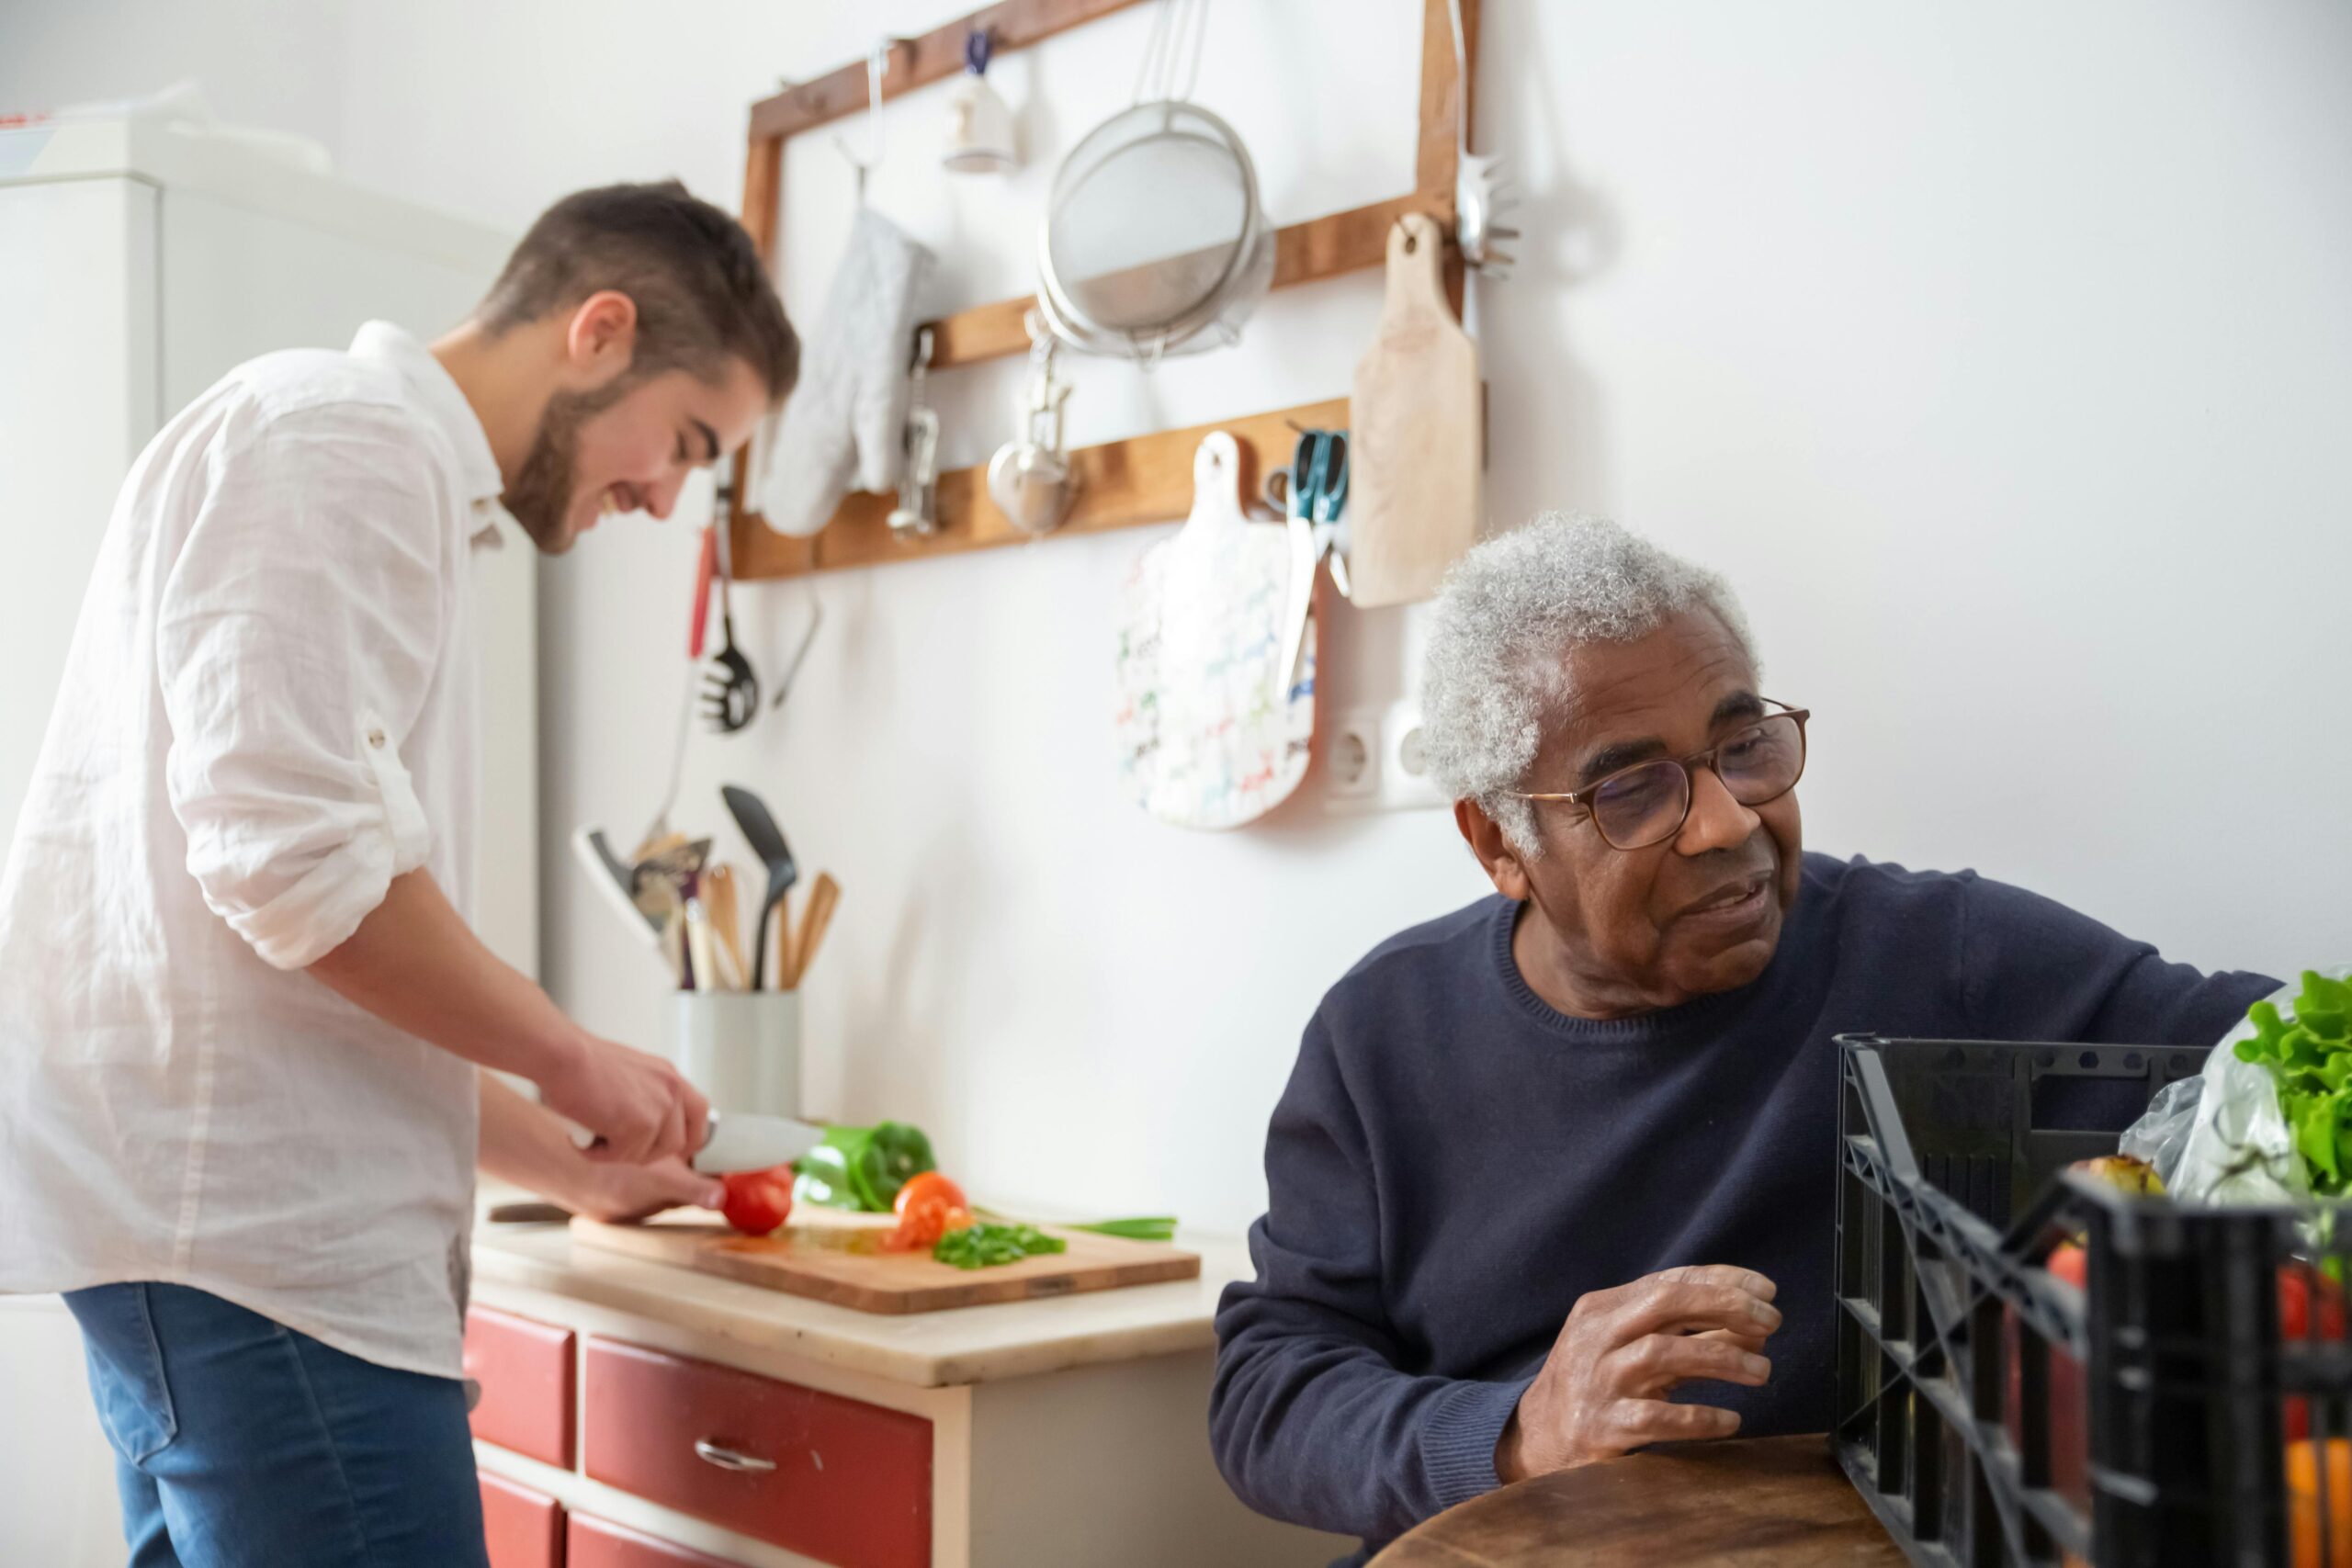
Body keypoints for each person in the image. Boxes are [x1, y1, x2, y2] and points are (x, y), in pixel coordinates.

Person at [1208, 513, 2277, 1564]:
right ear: (1500, 841)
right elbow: (1271, 1387)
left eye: (1743, 746)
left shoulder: (1941, 958)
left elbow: (2275, 1050)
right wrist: (1518, 1434)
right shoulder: (1382, 1035)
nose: (1725, 822)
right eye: (1631, 789)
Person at [0, 180, 797, 1567]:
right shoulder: (346, 441)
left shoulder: (373, 467)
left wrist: (569, 1162)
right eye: (684, 441)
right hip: (268, 1264)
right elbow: (302, 870)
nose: (666, 493)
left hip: (218, 1250)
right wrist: (575, 1060)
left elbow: (308, 956)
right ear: (599, 331)